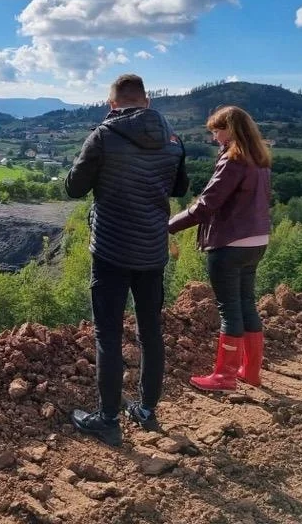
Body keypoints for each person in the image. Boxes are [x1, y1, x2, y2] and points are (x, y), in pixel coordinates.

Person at [65, 74, 188, 445]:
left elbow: (73, 188)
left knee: (108, 333)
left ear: (112, 103)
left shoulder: (104, 135)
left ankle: (108, 419)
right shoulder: (173, 138)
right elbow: (180, 188)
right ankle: (147, 410)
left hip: (111, 250)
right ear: (146, 102)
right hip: (152, 250)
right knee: (151, 331)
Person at [168, 106, 272, 391]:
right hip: (257, 241)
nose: (214, 137)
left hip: (229, 243)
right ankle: (250, 372)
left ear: (231, 129)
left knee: (229, 310)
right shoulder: (259, 160)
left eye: (217, 130)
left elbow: (206, 205)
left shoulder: (233, 160)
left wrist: (169, 225)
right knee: (247, 303)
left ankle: (224, 376)